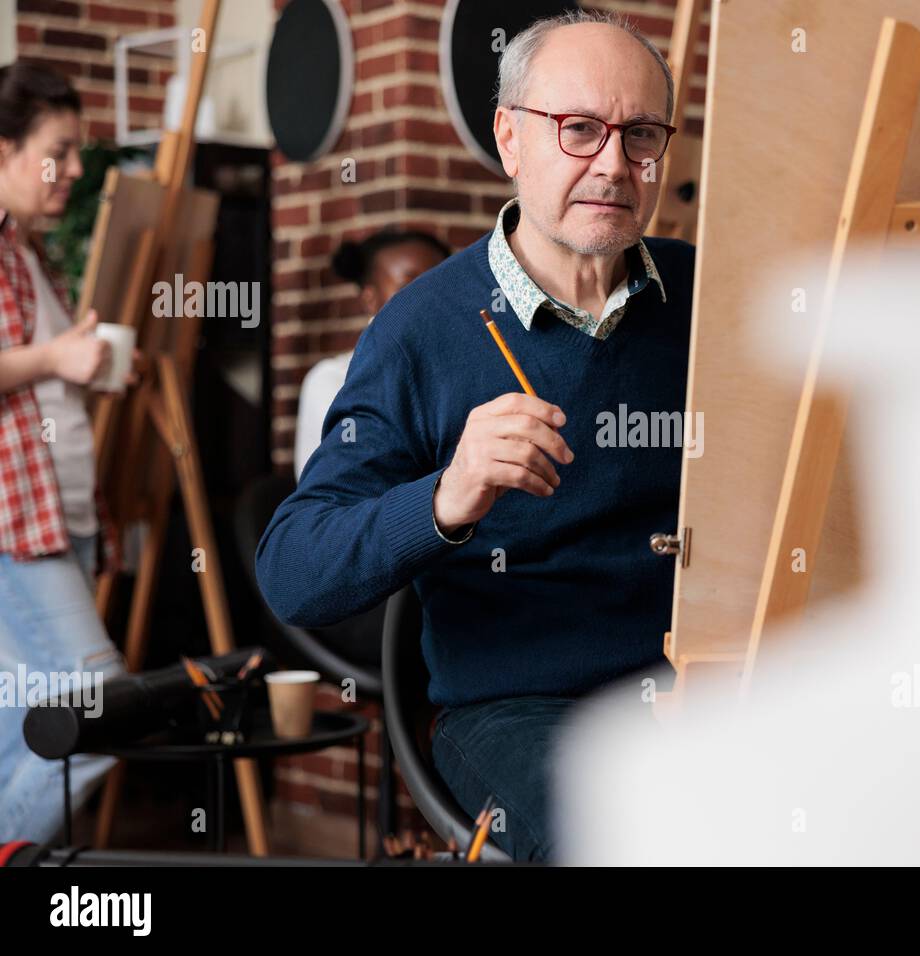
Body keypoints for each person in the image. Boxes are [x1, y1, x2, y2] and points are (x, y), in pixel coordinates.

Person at [257, 11, 694, 862]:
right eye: (578, 130)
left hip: (701, 685)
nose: (613, 165)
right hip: (517, 708)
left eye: (640, 135)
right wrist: (446, 496)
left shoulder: (703, 295)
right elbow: (292, 567)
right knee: (633, 836)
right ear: (510, 138)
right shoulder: (421, 329)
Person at [0, 61, 134, 842]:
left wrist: (88, 366)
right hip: (19, 533)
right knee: (98, 712)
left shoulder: (29, 253)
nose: (77, 170)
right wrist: (57, 361)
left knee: (24, 729)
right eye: (60, 150)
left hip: (59, 520)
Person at [294, 230, 450, 481]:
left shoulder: (454, 368)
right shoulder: (333, 380)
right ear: (370, 300)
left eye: (440, 284)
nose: (429, 298)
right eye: (410, 286)